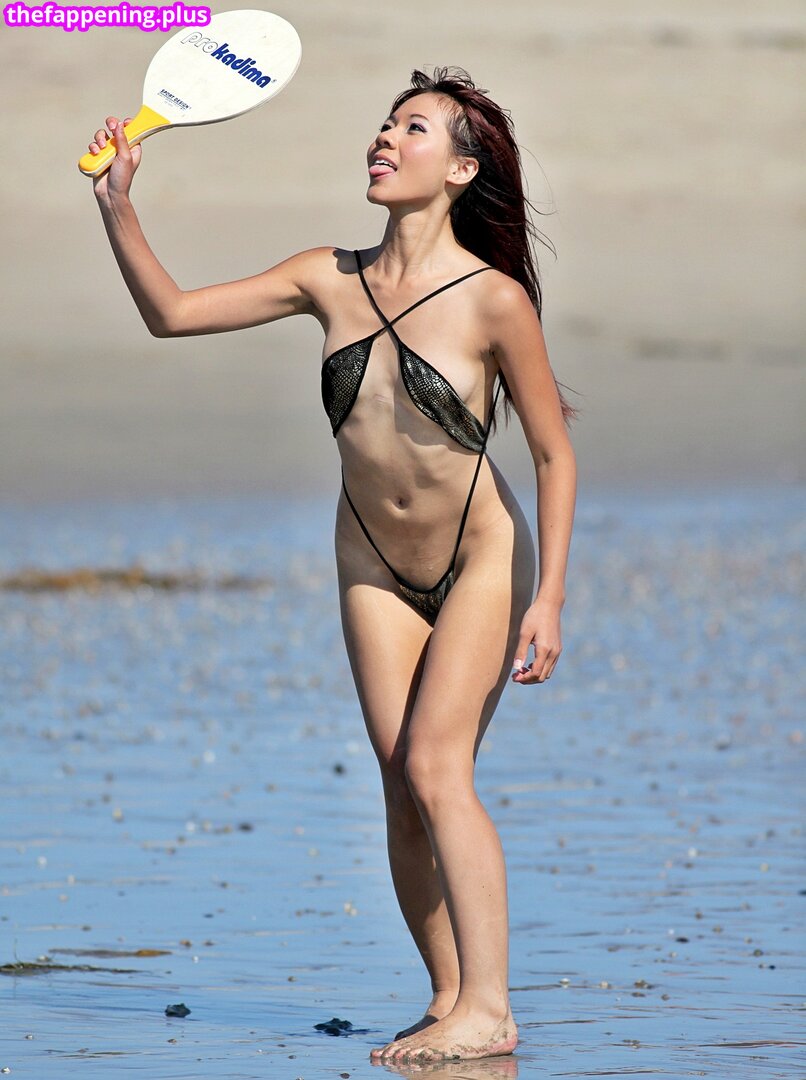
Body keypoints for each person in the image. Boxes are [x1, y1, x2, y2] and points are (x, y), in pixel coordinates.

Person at [86, 66, 577, 1066]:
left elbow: (552, 453)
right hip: (368, 560)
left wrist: (552, 598)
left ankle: (491, 1007)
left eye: (413, 128)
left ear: (461, 169)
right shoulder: (326, 277)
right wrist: (118, 206)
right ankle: (450, 999)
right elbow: (172, 314)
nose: (385, 139)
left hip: (480, 555)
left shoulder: (492, 302)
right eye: (385, 125)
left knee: (437, 766)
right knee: (400, 783)